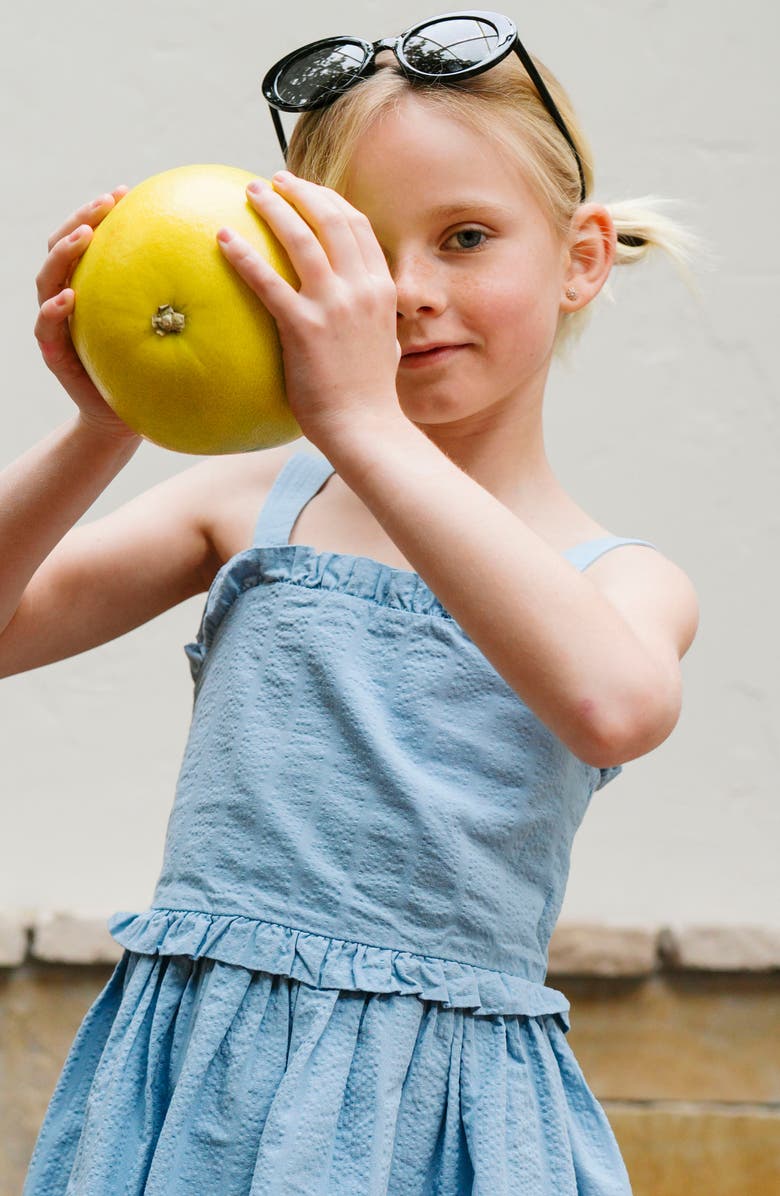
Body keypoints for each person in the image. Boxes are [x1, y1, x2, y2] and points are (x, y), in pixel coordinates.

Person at [10, 12, 701, 1195]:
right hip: (200, 1092)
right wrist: (104, 424)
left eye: (467, 237)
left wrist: (365, 423)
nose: (411, 290)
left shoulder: (617, 575)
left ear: (582, 258)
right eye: (364, 250)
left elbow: (615, 706)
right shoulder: (255, 502)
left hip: (436, 1117)